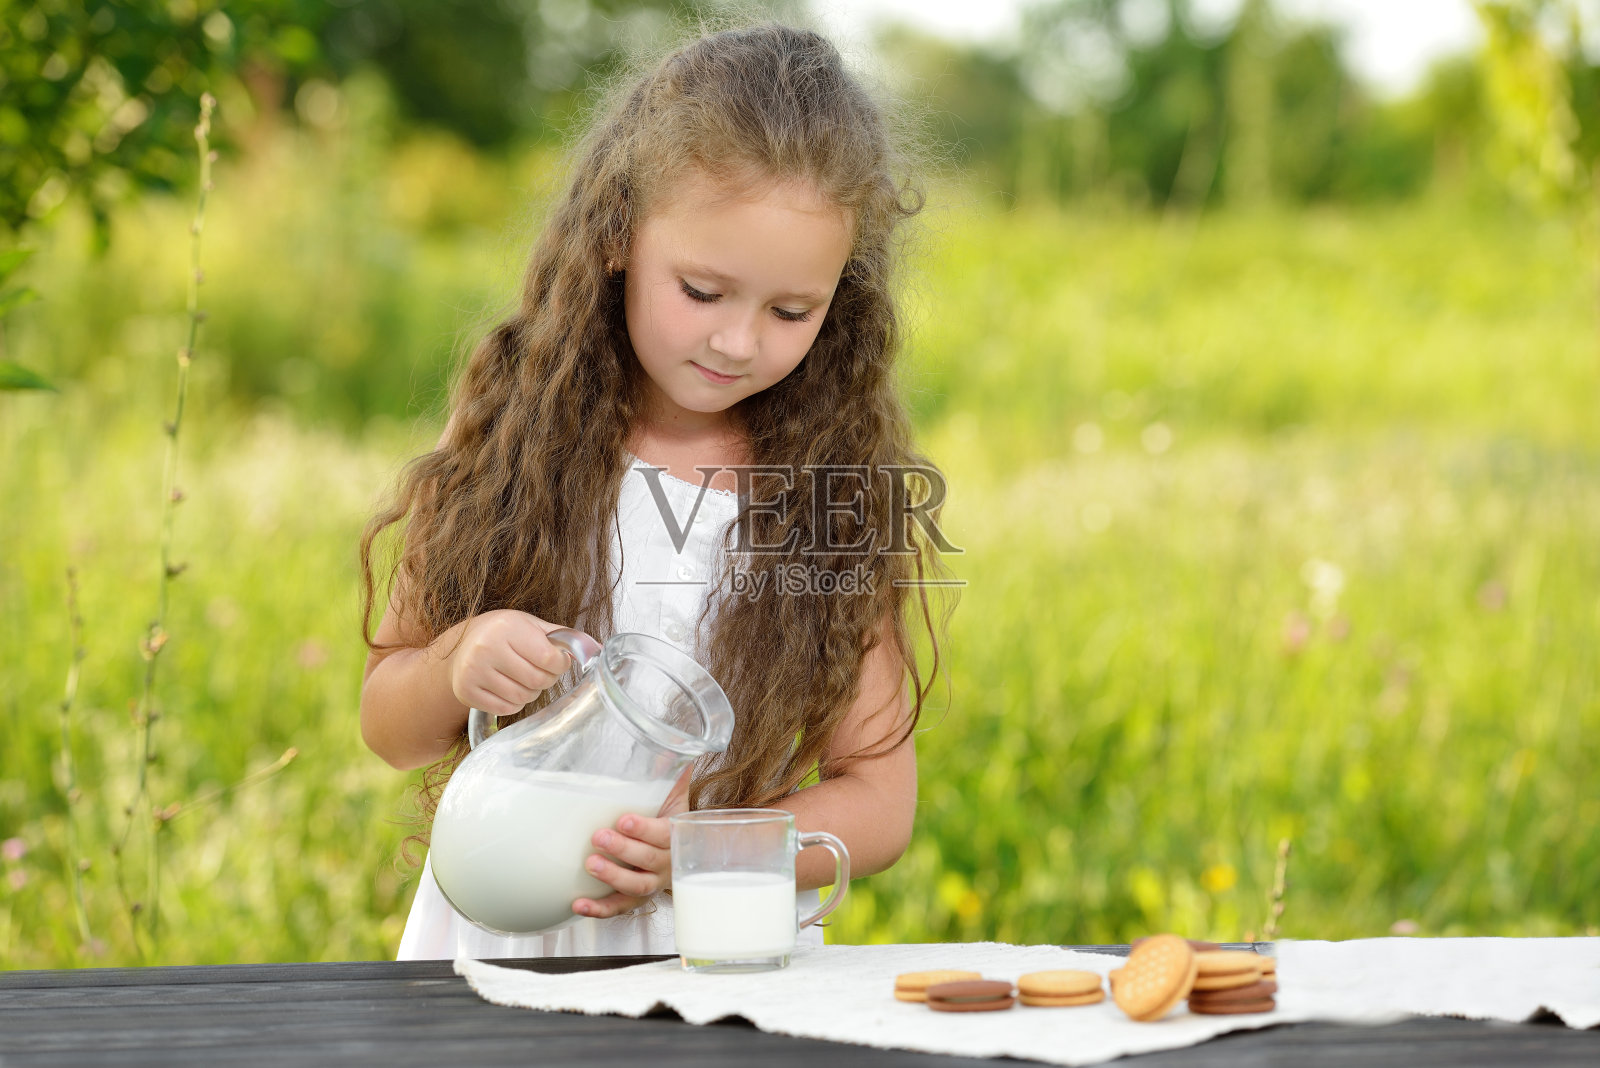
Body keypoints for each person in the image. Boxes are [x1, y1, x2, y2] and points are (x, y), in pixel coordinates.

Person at [358, 20, 955, 960]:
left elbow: (880, 804)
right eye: (703, 291)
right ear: (617, 237)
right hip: (502, 957)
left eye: (791, 311)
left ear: (841, 298)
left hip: (720, 960)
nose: (737, 342)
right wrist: (455, 661)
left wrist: (709, 847)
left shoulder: (826, 491)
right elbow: (389, 725)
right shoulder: (515, 434)